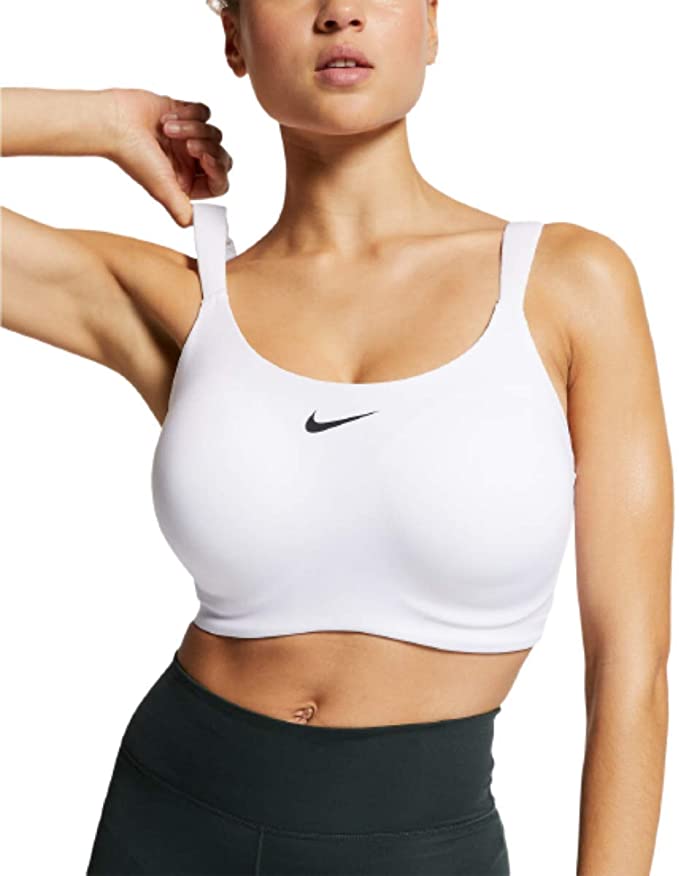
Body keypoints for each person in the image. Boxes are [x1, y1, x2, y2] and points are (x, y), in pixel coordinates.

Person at [1, 1, 672, 873]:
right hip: (172, 818)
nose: (340, 13)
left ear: (430, 25)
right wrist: (98, 120)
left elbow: (630, 665)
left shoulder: (568, 285)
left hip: (422, 843)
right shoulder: (181, 303)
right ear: (234, 39)